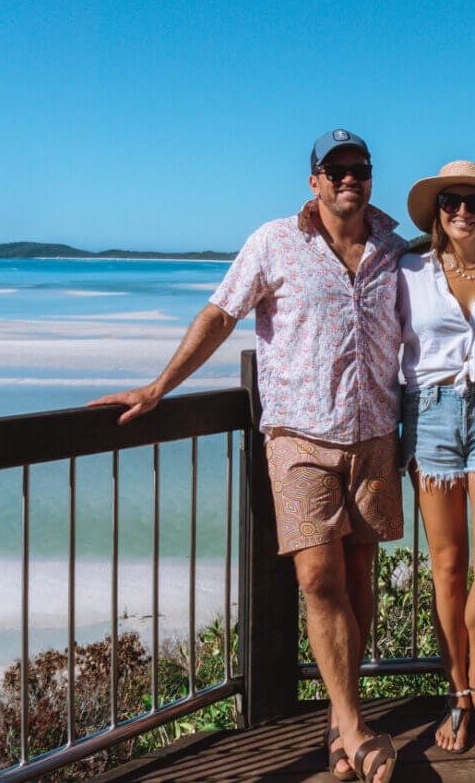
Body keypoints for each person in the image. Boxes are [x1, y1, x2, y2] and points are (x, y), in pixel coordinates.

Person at [88, 129, 403, 783]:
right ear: (313, 179)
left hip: (374, 435)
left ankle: (339, 721)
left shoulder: (393, 249)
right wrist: (159, 387)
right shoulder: (274, 241)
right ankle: (353, 727)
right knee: (319, 579)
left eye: (360, 168)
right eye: (336, 169)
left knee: (360, 577)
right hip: (297, 438)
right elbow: (219, 314)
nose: (350, 177)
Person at [396, 160, 475, 752]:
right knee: (448, 567)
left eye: (474, 203)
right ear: (437, 212)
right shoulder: (409, 270)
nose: (463, 212)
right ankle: (458, 691)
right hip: (431, 415)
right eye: (452, 202)